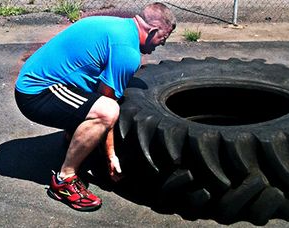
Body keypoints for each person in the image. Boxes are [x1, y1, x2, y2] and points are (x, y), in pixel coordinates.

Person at [14, 2, 176, 211]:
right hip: (36, 93)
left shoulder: (114, 25)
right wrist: (110, 155)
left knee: (101, 99)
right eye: (163, 38)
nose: (161, 44)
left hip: (38, 79)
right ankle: (64, 180)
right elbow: (107, 103)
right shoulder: (127, 52)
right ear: (153, 30)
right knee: (107, 112)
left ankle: (74, 131)